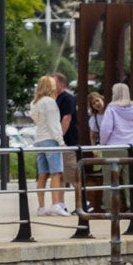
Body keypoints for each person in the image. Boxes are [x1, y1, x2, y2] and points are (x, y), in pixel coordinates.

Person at [99, 83, 133, 212]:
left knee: (110, 179)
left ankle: (109, 207)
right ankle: (132, 206)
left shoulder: (111, 108)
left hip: (113, 147)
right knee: (132, 179)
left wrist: (103, 143)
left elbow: (106, 128)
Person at [30, 75, 70, 216]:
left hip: (39, 140)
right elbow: (54, 125)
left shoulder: (35, 102)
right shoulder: (50, 102)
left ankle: (41, 207)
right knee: (56, 173)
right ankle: (55, 204)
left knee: (42, 174)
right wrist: (61, 142)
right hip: (50, 140)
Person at [54, 73, 80, 212]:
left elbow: (67, 119)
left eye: (54, 83)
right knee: (61, 175)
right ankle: (61, 204)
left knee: (72, 174)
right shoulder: (55, 98)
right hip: (61, 143)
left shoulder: (67, 98)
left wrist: (60, 138)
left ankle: (80, 204)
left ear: (62, 84)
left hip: (68, 142)